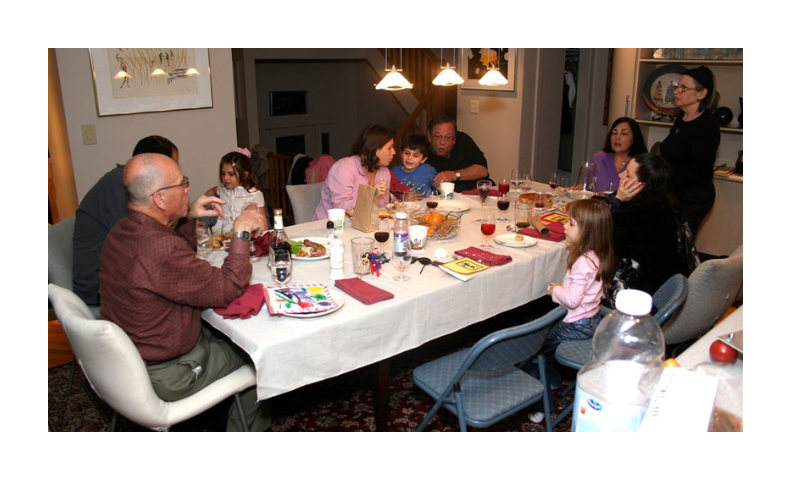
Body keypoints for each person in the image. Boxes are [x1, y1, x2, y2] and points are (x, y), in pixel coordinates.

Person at [99, 153, 270, 432]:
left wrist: (186, 214)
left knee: (222, 327)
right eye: (183, 184)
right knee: (258, 351)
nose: (188, 189)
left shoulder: (121, 231)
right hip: (167, 372)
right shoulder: (158, 249)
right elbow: (230, 286)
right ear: (159, 198)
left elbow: (174, 266)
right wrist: (241, 232)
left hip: (127, 362)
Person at [527, 198, 615, 423]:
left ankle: (541, 406)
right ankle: (556, 380)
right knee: (550, 345)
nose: (565, 227)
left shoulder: (582, 262)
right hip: (591, 319)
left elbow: (573, 300)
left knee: (536, 352)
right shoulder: (599, 254)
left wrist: (554, 290)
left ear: (589, 231)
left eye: (571, 224)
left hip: (575, 324)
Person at [72, 135, 179, 306]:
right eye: (173, 165)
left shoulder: (123, 179)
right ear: (156, 165)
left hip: (115, 276)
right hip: (100, 290)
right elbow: (146, 245)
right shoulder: (123, 187)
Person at [602, 153, 699, 307]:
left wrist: (618, 200)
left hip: (639, 298)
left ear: (640, 185)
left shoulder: (635, 215)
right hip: (674, 294)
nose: (620, 175)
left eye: (627, 173)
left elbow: (598, 229)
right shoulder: (672, 208)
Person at [658, 65, 721, 237]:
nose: (677, 91)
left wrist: (664, 181)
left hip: (694, 197)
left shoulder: (708, 124)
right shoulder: (682, 117)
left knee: (679, 244)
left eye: (684, 88)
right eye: (677, 86)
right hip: (673, 192)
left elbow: (699, 170)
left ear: (702, 93)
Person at [313, 125, 395, 220]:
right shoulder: (344, 168)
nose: (394, 152)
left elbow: (381, 209)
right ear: (374, 149)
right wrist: (370, 194)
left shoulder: (384, 171)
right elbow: (341, 208)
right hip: (333, 226)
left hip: (365, 225)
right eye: (390, 148)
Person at [204, 148, 267, 234]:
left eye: (231, 174)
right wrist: (204, 202)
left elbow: (264, 226)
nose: (225, 178)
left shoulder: (255, 194)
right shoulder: (221, 189)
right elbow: (212, 191)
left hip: (243, 237)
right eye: (223, 174)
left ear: (244, 175)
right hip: (222, 236)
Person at [425, 115, 490, 192]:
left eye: (448, 137)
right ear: (429, 136)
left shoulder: (463, 140)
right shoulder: (421, 153)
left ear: (455, 139)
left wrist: (453, 175)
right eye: (437, 136)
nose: (442, 142)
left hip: (479, 192)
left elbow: (483, 171)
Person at [589, 117, 647, 194]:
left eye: (624, 133)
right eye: (614, 133)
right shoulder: (599, 157)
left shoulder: (639, 163)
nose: (617, 137)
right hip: (595, 204)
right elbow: (587, 186)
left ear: (634, 138)